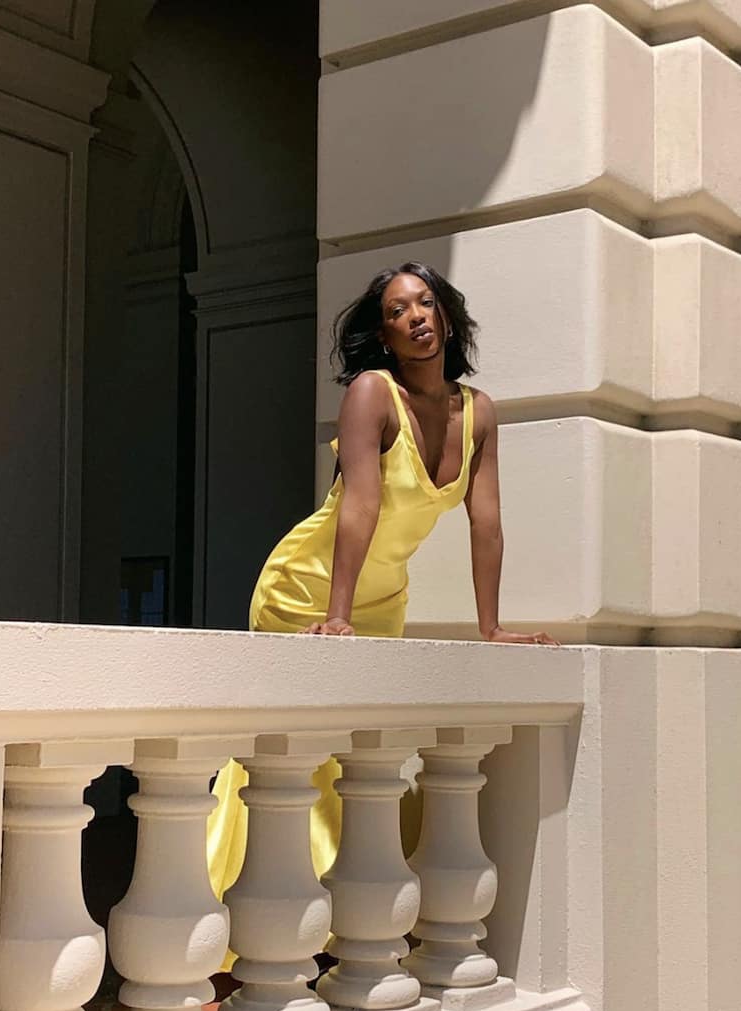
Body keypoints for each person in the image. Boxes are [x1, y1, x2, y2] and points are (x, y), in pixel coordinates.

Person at [206, 262, 558, 960]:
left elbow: (485, 523)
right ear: (385, 333)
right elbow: (359, 503)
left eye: (426, 302)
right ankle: (234, 938)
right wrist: (336, 613)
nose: (416, 316)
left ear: (448, 316)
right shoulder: (372, 393)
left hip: (384, 598)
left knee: (356, 768)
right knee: (287, 765)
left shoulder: (478, 410)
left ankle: (331, 931)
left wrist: (492, 629)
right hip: (306, 586)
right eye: (398, 310)